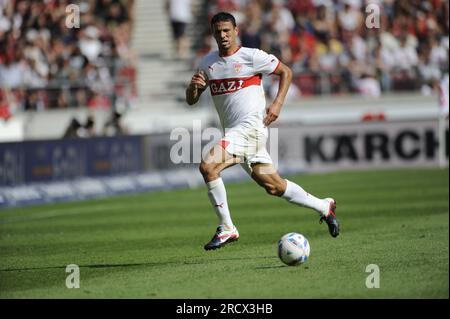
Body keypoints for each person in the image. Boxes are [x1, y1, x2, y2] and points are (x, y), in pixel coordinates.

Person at [186, 12, 340, 251]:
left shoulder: (251, 56)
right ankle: (324, 206)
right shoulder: (208, 63)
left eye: (227, 30)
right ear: (213, 33)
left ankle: (227, 228)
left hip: (250, 130)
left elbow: (286, 72)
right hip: (237, 134)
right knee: (274, 186)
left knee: (208, 166)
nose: (223, 35)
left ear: (236, 31)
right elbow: (191, 101)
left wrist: (277, 103)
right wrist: (193, 88)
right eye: (218, 31)